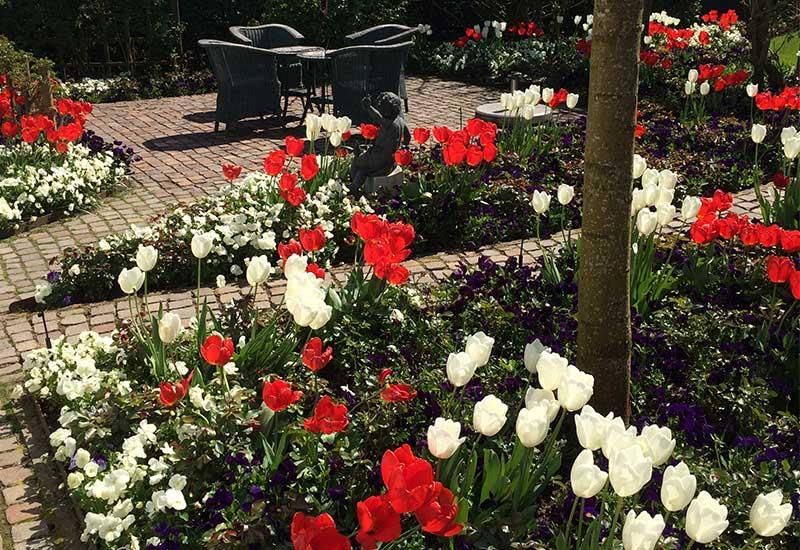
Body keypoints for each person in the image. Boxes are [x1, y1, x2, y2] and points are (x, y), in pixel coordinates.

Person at [350, 92, 410, 193]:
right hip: (390, 158)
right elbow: (408, 137)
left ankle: (354, 187)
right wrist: (403, 147)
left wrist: (369, 108)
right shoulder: (400, 121)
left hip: (379, 158)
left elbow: (378, 117)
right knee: (363, 158)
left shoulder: (389, 124)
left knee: (359, 164)